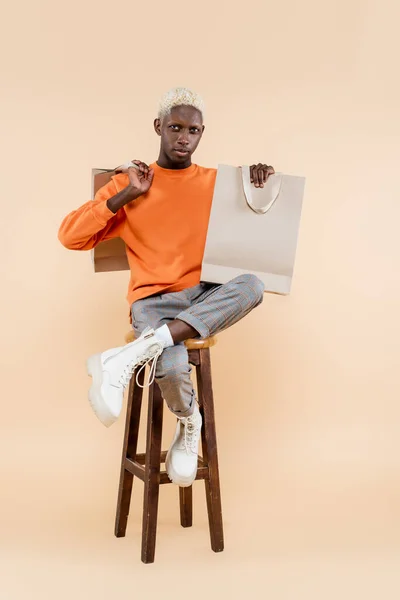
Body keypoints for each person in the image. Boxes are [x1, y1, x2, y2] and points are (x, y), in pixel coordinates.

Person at [58, 87, 275, 487]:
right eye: (175, 127)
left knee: (253, 286)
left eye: (193, 130)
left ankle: (131, 354)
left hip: (203, 295)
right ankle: (189, 420)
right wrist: (126, 193)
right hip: (153, 302)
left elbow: (259, 227)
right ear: (159, 126)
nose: (183, 138)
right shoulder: (131, 183)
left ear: (201, 133)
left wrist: (259, 180)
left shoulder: (216, 182)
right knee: (173, 370)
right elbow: (70, 237)